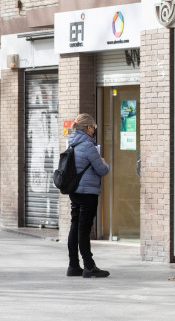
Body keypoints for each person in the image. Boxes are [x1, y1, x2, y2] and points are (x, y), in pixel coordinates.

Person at [67, 114, 110, 278]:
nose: (94, 130)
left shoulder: (72, 143)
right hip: (88, 193)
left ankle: (73, 265)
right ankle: (89, 266)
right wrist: (104, 162)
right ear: (89, 127)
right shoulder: (88, 145)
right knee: (84, 230)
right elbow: (102, 170)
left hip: (75, 191)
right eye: (94, 127)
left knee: (75, 226)